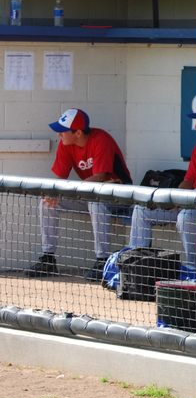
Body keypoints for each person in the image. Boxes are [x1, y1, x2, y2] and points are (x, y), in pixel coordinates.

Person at [28, 108, 133, 281]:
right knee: (47, 201)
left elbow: (100, 177)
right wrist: (54, 192)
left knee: (96, 203)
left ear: (77, 132)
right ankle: (48, 258)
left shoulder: (101, 139)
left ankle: (102, 260)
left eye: (63, 131)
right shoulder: (65, 145)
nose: (59, 135)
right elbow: (60, 178)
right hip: (90, 195)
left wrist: (70, 190)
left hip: (120, 197)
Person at [127, 105, 196, 280]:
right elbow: (188, 180)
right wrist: (175, 198)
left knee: (185, 217)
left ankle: (195, 268)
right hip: (191, 201)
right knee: (142, 211)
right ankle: (135, 264)